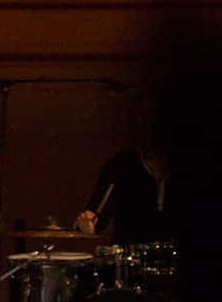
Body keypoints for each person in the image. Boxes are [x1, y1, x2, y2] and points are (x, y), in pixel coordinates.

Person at [75, 95, 177, 247]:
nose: (149, 124)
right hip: (129, 258)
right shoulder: (120, 165)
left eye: (155, 117)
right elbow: (96, 216)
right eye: (143, 118)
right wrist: (86, 223)